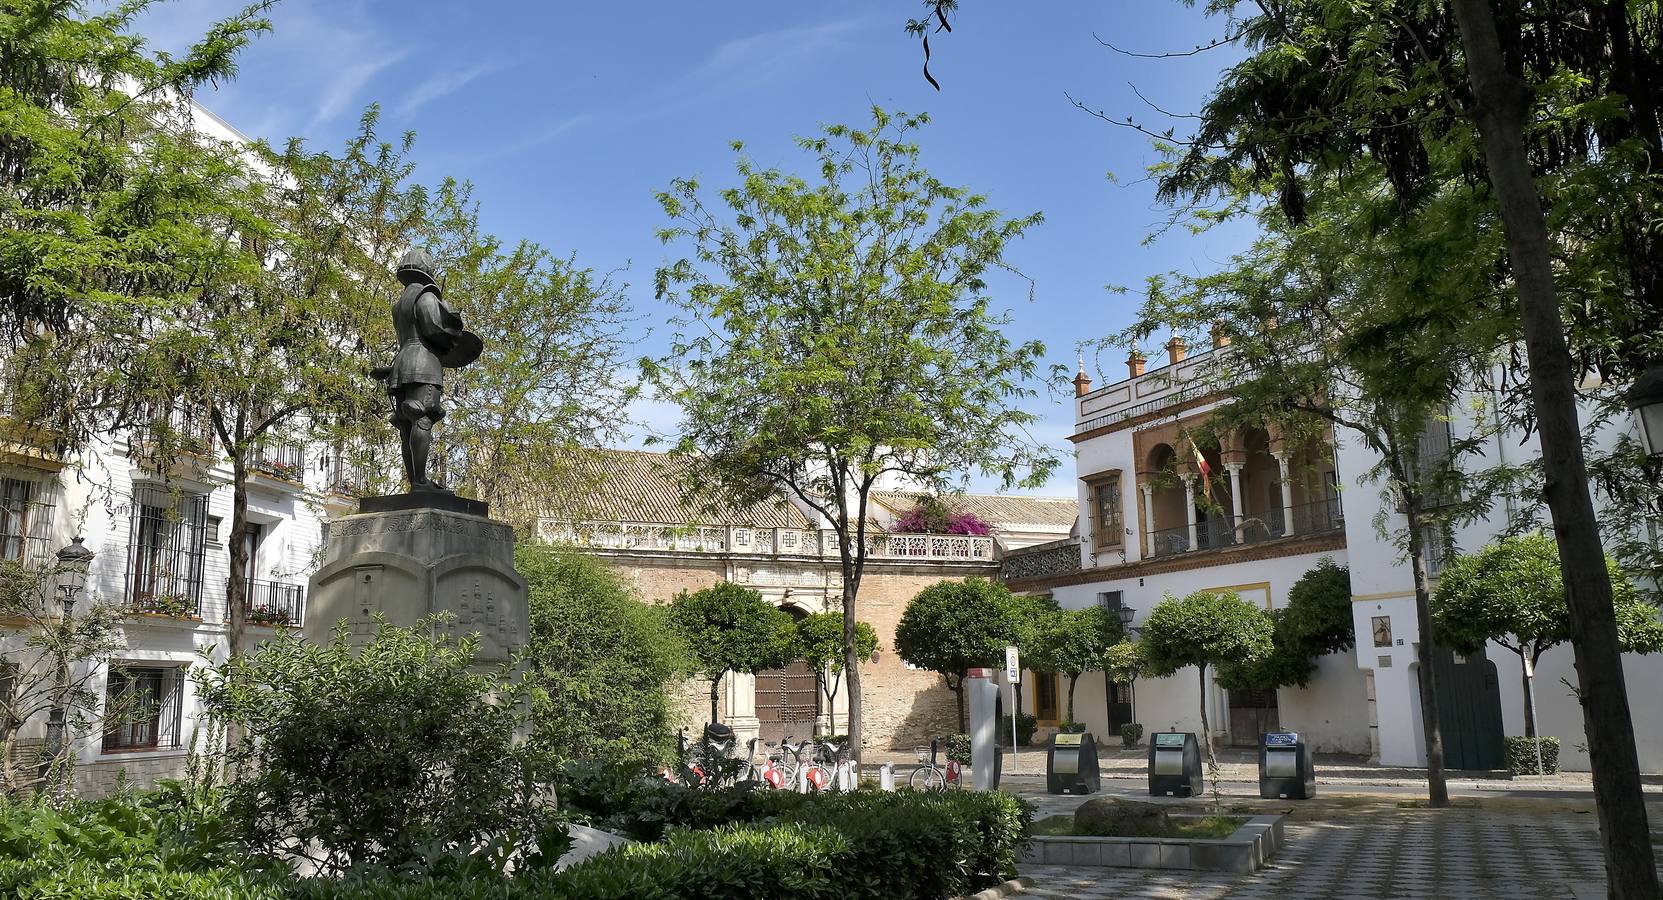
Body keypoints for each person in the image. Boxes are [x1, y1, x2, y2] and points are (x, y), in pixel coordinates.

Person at [371, 247, 482, 491]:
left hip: (401, 365)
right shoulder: (426, 297)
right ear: (428, 270)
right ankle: (420, 482)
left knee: (405, 425)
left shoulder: (399, 304)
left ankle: (415, 482)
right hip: (424, 365)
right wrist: (454, 332)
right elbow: (433, 329)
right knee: (422, 418)